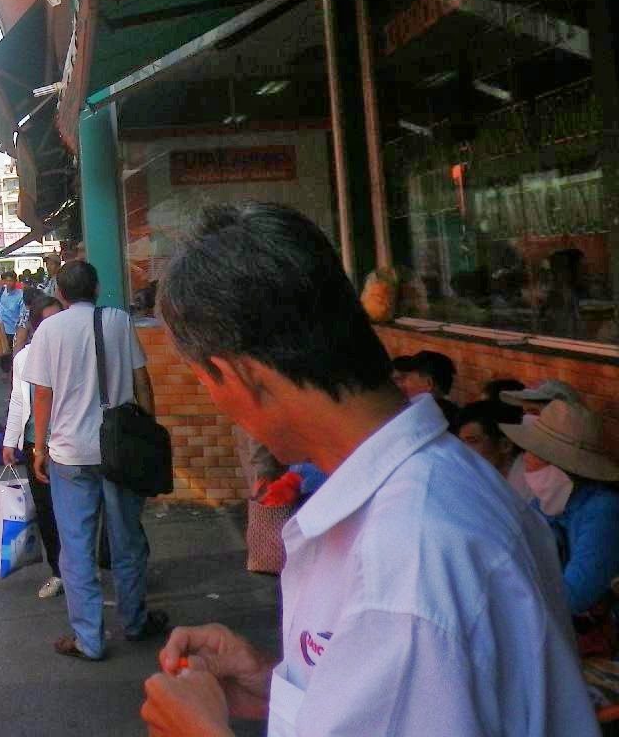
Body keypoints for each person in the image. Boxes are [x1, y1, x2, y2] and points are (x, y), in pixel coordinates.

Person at [140, 202, 594, 737]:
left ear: (240, 375)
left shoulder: (406, 561)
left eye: (204, 381)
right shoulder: (432, 490)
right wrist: (275, 683)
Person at [23, 259, 166, 661]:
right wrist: (149, 432)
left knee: (77, 548)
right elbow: (142, 382)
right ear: (97, 287)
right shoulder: (119, 321)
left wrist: (38, 448)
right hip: (119, 450)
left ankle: (89, 638)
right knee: (127, 541)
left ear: (62, 293)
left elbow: (42, 396)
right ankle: (135, 621)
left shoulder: (49, 330)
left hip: (69, 455)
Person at [503, 399, 619, 656]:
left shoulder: (602, 510)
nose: (527, 460)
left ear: (563, 468)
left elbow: (574, 595)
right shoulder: (549, 502)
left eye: (536, 455)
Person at [2, 291, 66, 599]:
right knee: (46, 511)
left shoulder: (75, 351)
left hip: (71, 443)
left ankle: (79, 566)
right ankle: (59, 571)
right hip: (35, 444)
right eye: (51, 321)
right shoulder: (24, 359)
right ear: (38, 328)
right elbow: (19, 400)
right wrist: (9, 440)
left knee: (76, 509)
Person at [390, 349, 460, 426]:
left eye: (407, 378)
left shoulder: (421, 418)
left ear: (428, 383)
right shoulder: (454, 414)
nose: (402, 384)